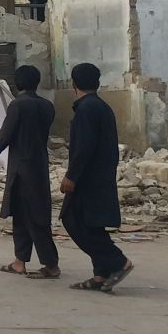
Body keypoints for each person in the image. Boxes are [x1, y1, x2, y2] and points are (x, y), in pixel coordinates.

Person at [61, 63, 134, 293]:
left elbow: (84, 147)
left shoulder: (86, 109)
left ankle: (118, 261)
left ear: (74, 84)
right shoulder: (101, 107)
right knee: (92, 224)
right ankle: (101, 274)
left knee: (73, 220)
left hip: (88, 178)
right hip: (100, 175)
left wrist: (71, 176)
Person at [0, 64, 57, 278]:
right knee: (25, 215)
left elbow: (5, 136)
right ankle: (19, 261)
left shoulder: (18, 105)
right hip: (39, 166)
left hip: (22, 169)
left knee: (32, 217)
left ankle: (51, 264)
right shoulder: (47, 106)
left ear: (17, 83)